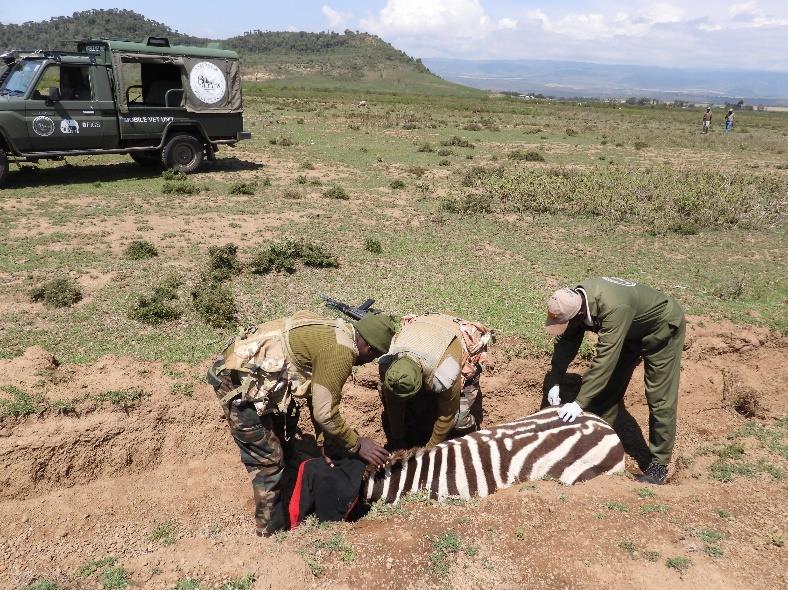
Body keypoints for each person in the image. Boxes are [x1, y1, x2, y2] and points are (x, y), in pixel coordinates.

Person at [207, 310, 398, 535]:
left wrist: (323, 441)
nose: (367, 362)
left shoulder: (339, 331)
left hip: (256, 374)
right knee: (268, 461)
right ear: (370, 349)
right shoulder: (341, 351)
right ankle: (271, 533)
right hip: (235, 379)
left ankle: (289, 494)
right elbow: (325, 414)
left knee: (285, 440)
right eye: (373, 357)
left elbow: (315, 394)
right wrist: (357, 444)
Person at [544, 277, 685, 485]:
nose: (565, 327)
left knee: (660, 397)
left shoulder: (613, 308)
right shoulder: (575, 302)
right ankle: (600, 447)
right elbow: (566, 341)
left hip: (661, 329)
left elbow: (605, 359)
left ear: (579, 314)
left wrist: (579, 403)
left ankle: (659, 465)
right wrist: (555, 380)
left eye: (567, 323)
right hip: (630, 330)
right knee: (606, 391)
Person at [378, 314, 493, 449]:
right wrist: (398, 438)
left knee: (460, 422)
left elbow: (447, 415)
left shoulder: (446, 371)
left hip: (454, 337)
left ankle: (472, 436)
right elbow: (393, 403)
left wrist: (429, 450)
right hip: (425, 327)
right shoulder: (388, 365)